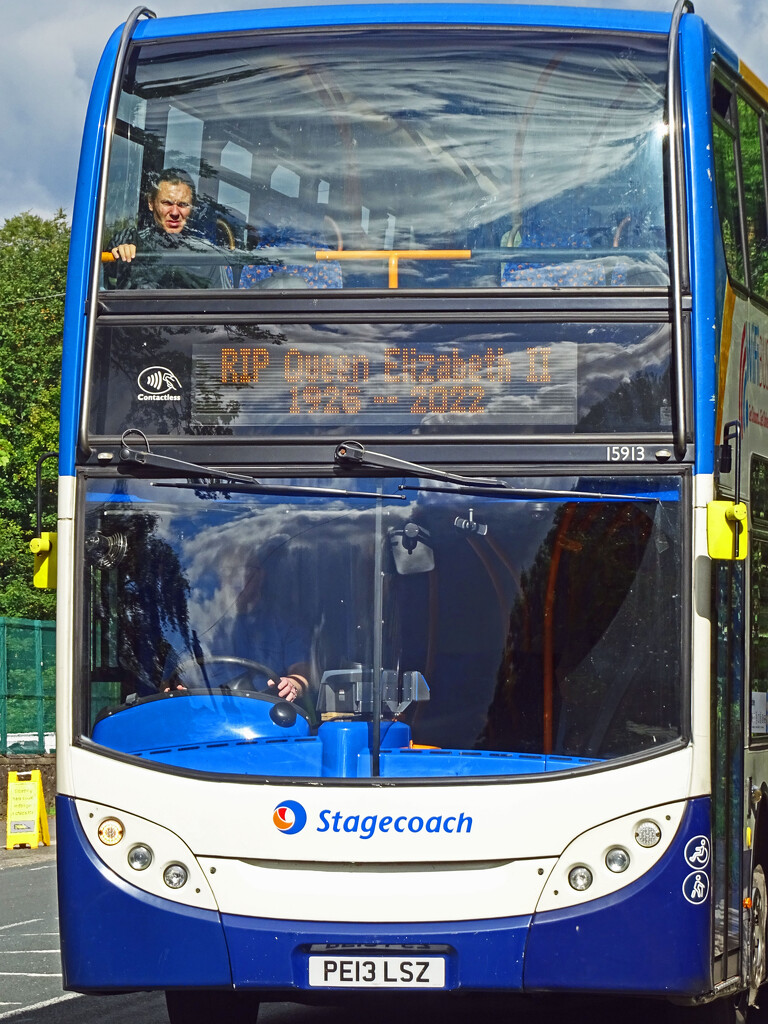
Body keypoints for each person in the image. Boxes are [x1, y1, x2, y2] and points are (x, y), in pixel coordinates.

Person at [162, 552, 312, 704]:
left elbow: (301, 674)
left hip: (267, 716)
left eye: (243, 570)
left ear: (260, 575)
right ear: (220, 578)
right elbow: (170, 681)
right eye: (228, 571)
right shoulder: (195, 626)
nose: (235, 578)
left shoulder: (287, 624)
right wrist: (178, 692)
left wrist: (292, 685)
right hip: (204, 715)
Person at [106, 168, 232, 289]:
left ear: (192, 207)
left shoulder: (209, 256)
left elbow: (224, 304)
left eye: (183, 205)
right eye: (167, 203)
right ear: (151, 203)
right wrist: (120, 255)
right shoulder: (130, 240)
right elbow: (102, 282)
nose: (175, 212)